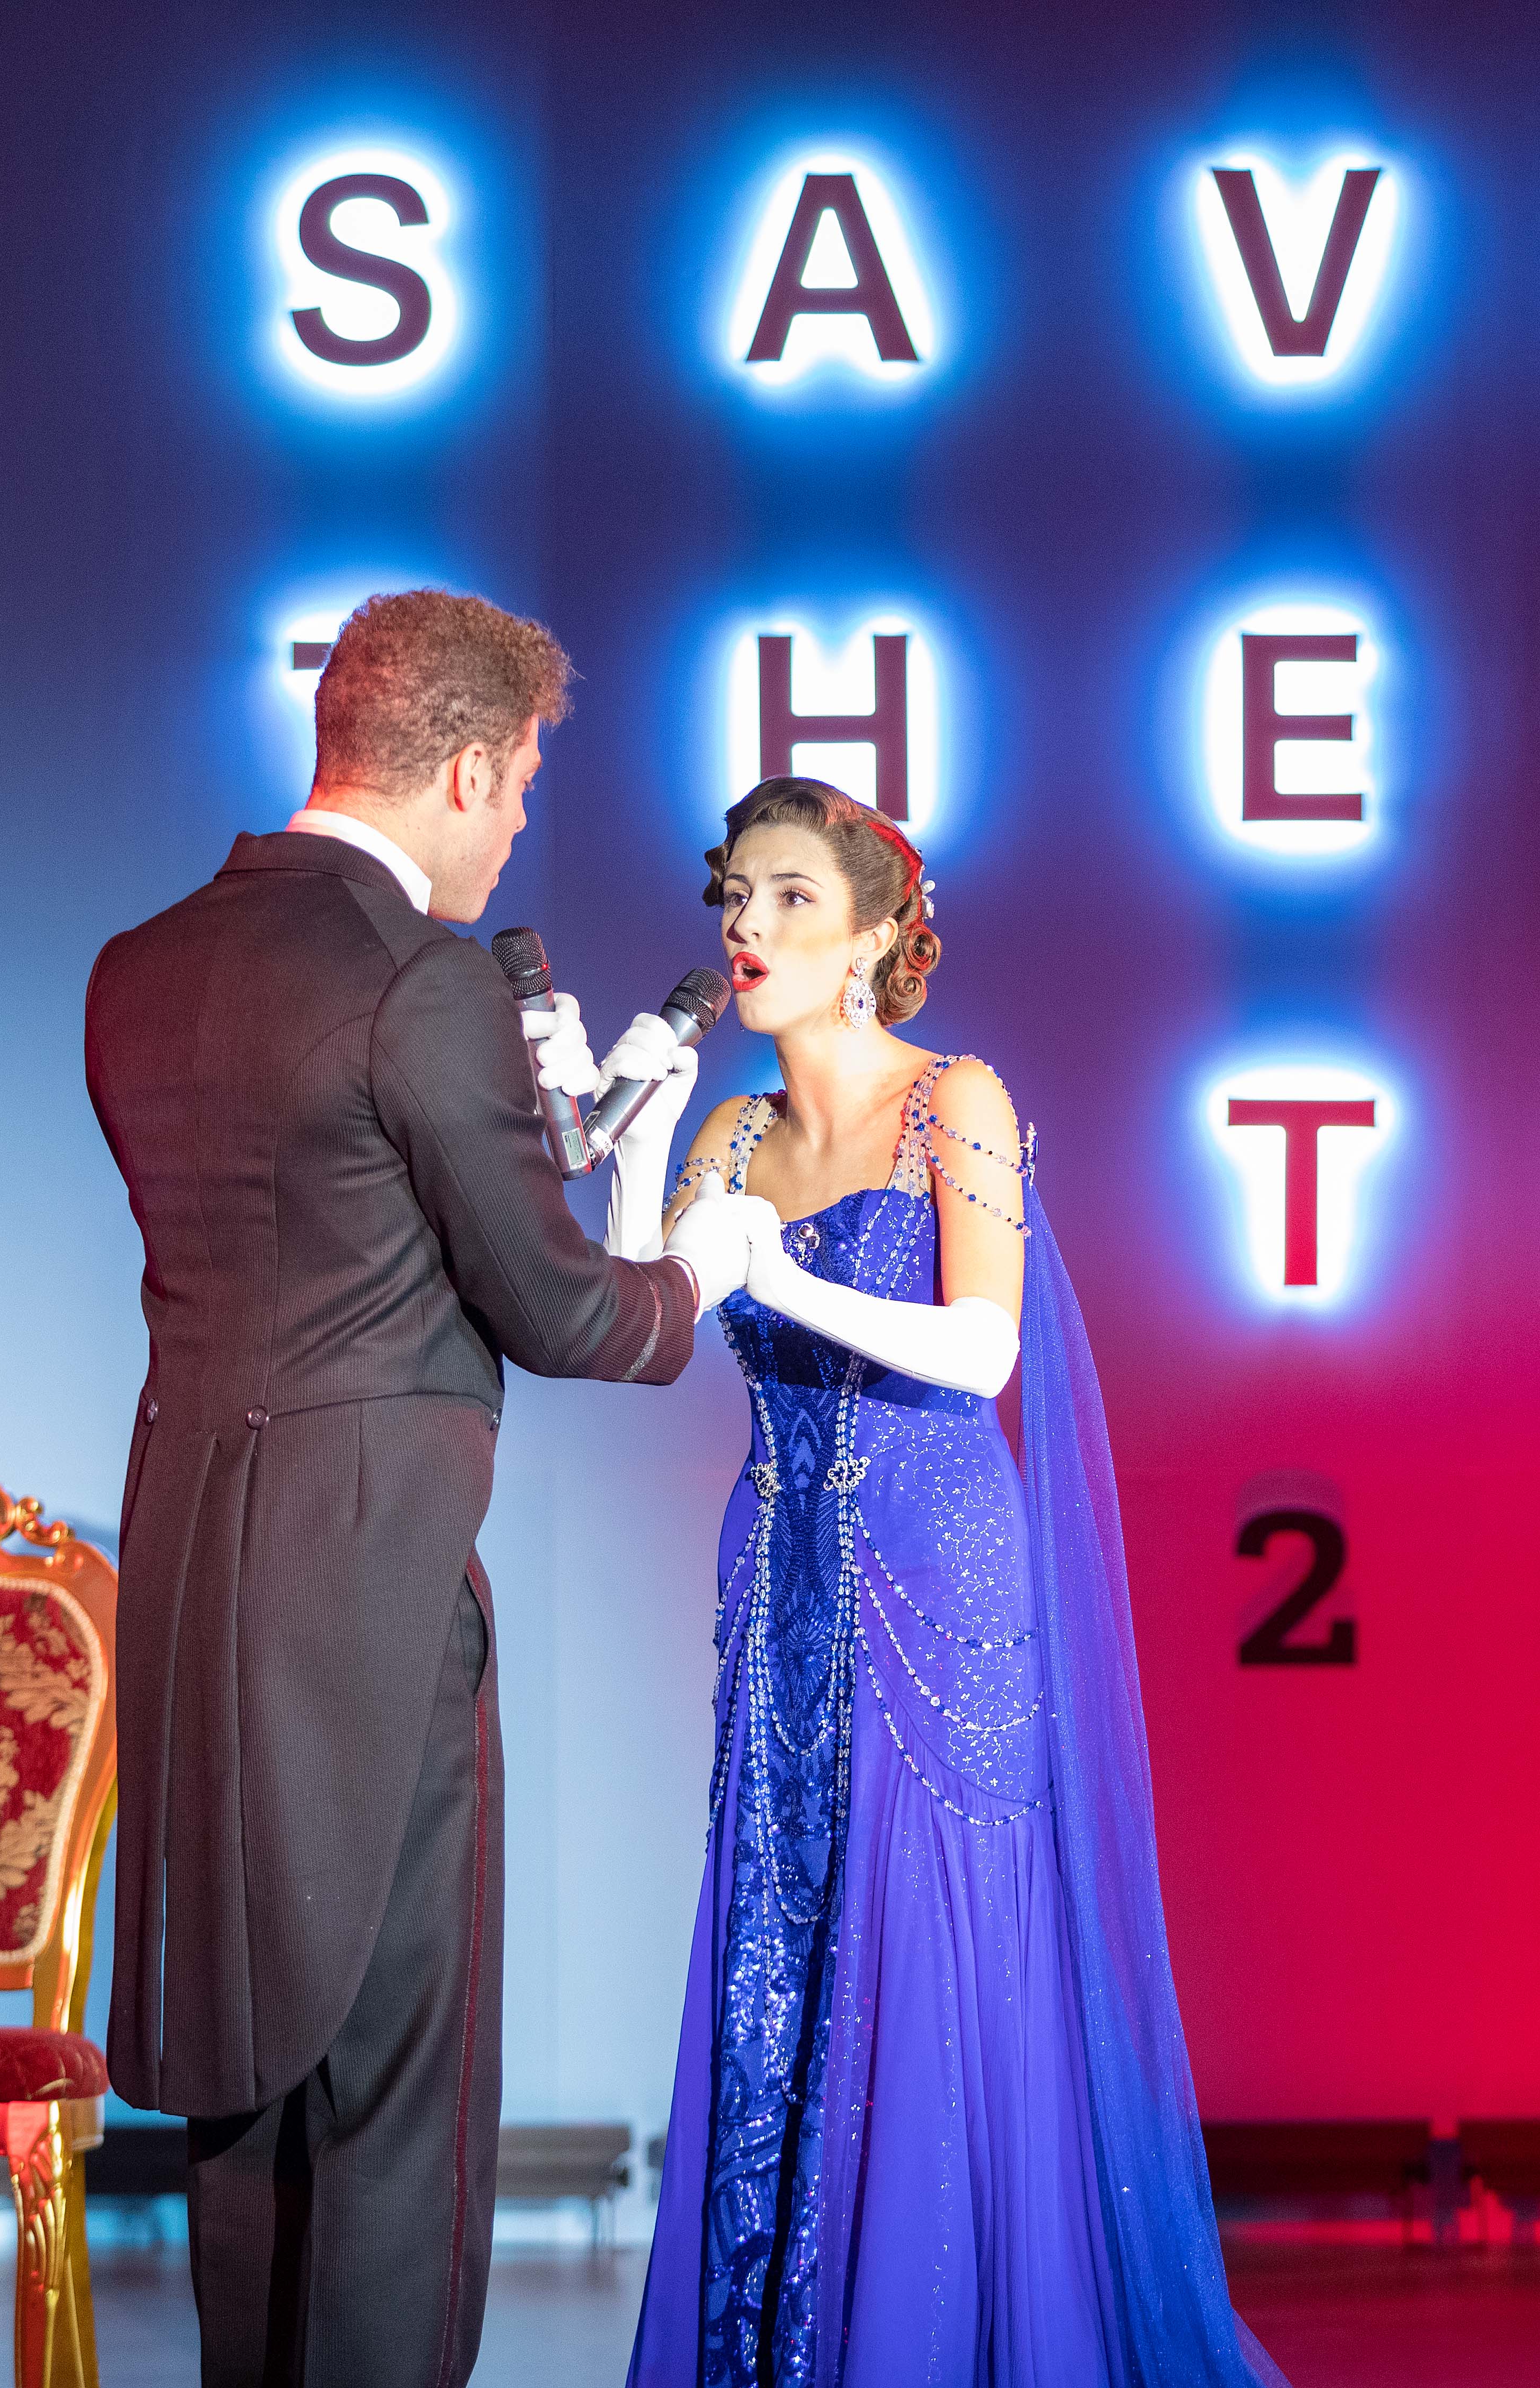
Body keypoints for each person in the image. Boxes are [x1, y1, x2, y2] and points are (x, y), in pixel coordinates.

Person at [84, 588, 757, 2387]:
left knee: (244, 2078)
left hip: (191, 1577)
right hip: (372, 1588)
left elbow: (324, 1238)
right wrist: (700, 1266)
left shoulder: (140, 963)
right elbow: (561, 1309)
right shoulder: (422, 980)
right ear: (464, 769)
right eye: (523, 782)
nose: (521, 820)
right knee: (398, 2100)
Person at [591, 776, 1290, 2385]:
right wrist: (637, 1147)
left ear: (872, 939)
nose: (747, 925)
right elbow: (644, 1325)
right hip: (783, 1584)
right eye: (735, 893)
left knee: (933, 1955)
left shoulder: (953, 1098)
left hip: (939, 1586)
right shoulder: (735, 1132)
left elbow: (983, 1352)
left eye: (789, 898)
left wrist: (779, 1278)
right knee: (783, 1933)